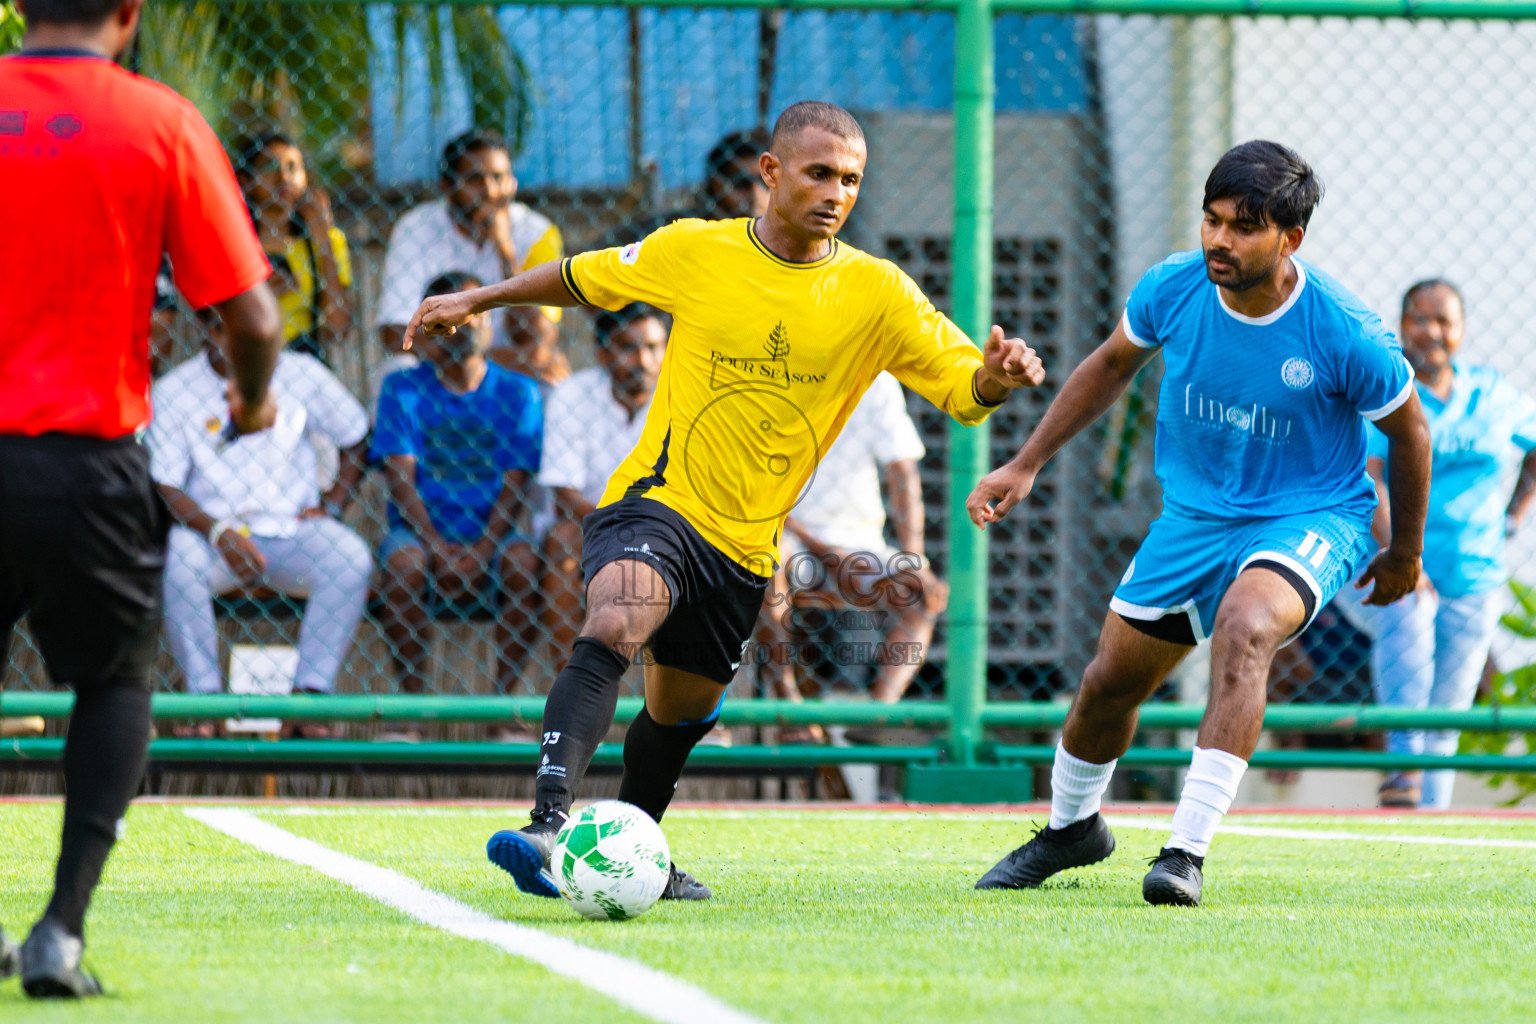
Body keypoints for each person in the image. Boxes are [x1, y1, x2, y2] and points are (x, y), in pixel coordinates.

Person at [405, 100, 1044, 901]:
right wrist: (481, 300)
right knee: (615, 618)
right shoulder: (695, 249)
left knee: (678, 714)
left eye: (850, 180)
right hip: (657, 504)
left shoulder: (876, 292)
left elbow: (960, 384)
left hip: (746, 550)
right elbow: (583, 276)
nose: (835, 192)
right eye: (818, 173)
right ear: (770, 174)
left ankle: (637, 850)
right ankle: (548, 822)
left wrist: (997, 375)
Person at [968, 140, 1431, 906]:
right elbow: (1113, 364)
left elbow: (1410, 433)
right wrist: (1027, 462)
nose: (1220, 239)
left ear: (1291, 239)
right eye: (1213, 220)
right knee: (1108, 684)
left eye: (1244, 227)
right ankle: (1070, 829)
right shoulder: (1174, 288)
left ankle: (1184, 852)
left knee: (1248, 624)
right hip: (1194, 517)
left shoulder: (1344, 329)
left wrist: (1404, 550)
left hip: (1312, 514)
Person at [0, 0, 280, 996]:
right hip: (88, 460)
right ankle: (58, 930)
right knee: (114, 682)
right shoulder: (159, 120)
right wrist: (250, 403)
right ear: (129, 14)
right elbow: (251, 314)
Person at [149, 308, 372, 736]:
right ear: (210, 329)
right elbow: (164, 484)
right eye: (234, 327)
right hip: (210, 538)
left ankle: (308, 701)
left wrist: (333, 503)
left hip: (291, 532)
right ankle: (207, 703)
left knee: (349, 558)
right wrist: (218, 531)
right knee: (175, 558)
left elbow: (358, 436)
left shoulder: (301, 372)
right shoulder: (175, 390)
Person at [1367, 280, 1536, 809]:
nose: (1432, 331)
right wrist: (1402, 557)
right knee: (1409, 631)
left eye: (1445, 321)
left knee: (1450, 711)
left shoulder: (1492, 393)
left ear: (1461, 330)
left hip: (1474, 575)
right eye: (1420, 318)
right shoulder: (1390, 391)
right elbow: (1371, 478)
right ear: (1401, 325)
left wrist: (1514, 514)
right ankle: (1402, 776)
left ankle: (1425, 822)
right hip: (1403, 569)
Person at [372, 272, 543, 738]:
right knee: (403, 563)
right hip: (422, 535)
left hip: (495, 534)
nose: (463, 329)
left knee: (523, 561)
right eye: (448, 321)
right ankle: (412, 706)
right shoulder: (402, 389)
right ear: (427, 329)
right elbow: (400, 480)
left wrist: (486, 547)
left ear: (490, 326)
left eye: (474, 317)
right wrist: (437, 546)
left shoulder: (518, 392)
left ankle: (501, 707)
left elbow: (516, 484)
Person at [766, 371, 948, 711]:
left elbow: (903, 472)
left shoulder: (876, 381)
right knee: (767, 561)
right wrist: (825, 550)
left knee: (921, 591)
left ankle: (878, 714)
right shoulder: (775, 372)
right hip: (790, 538)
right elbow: (756, 493)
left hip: (860, 545)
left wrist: (914, 560)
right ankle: (785, 701)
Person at [374, 129, 567, 389]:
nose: (489, 191)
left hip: (505, 374)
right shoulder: (415, 228)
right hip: (444, 366)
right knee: (398, 368)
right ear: (447, 185)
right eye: (475, 179)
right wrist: (477, 358)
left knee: (552, 376)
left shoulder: (538, 233)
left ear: (513, 183)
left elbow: (538, 337)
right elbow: (395, 334)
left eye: (499, 177)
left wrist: (506, 252)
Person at [539, 303, 669, 657]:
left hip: (665, 530)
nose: (643, 360)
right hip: (588, 527)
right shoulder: (572, 395)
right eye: (628, 347)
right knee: (562, 541)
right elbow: (565, 493)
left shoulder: (680, 400)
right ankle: (569, 681)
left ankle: (670, 703)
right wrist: (620, 528)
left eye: (654, 348)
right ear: (602, 352)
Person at [233, 130, 354, 361]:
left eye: (293, 167)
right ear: (246, 181)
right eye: (269, 167)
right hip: (251, 361)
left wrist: (323, 242)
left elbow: (338, 328)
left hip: (305, 361)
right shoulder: (237, 248)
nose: (283, 176)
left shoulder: (329, 240)